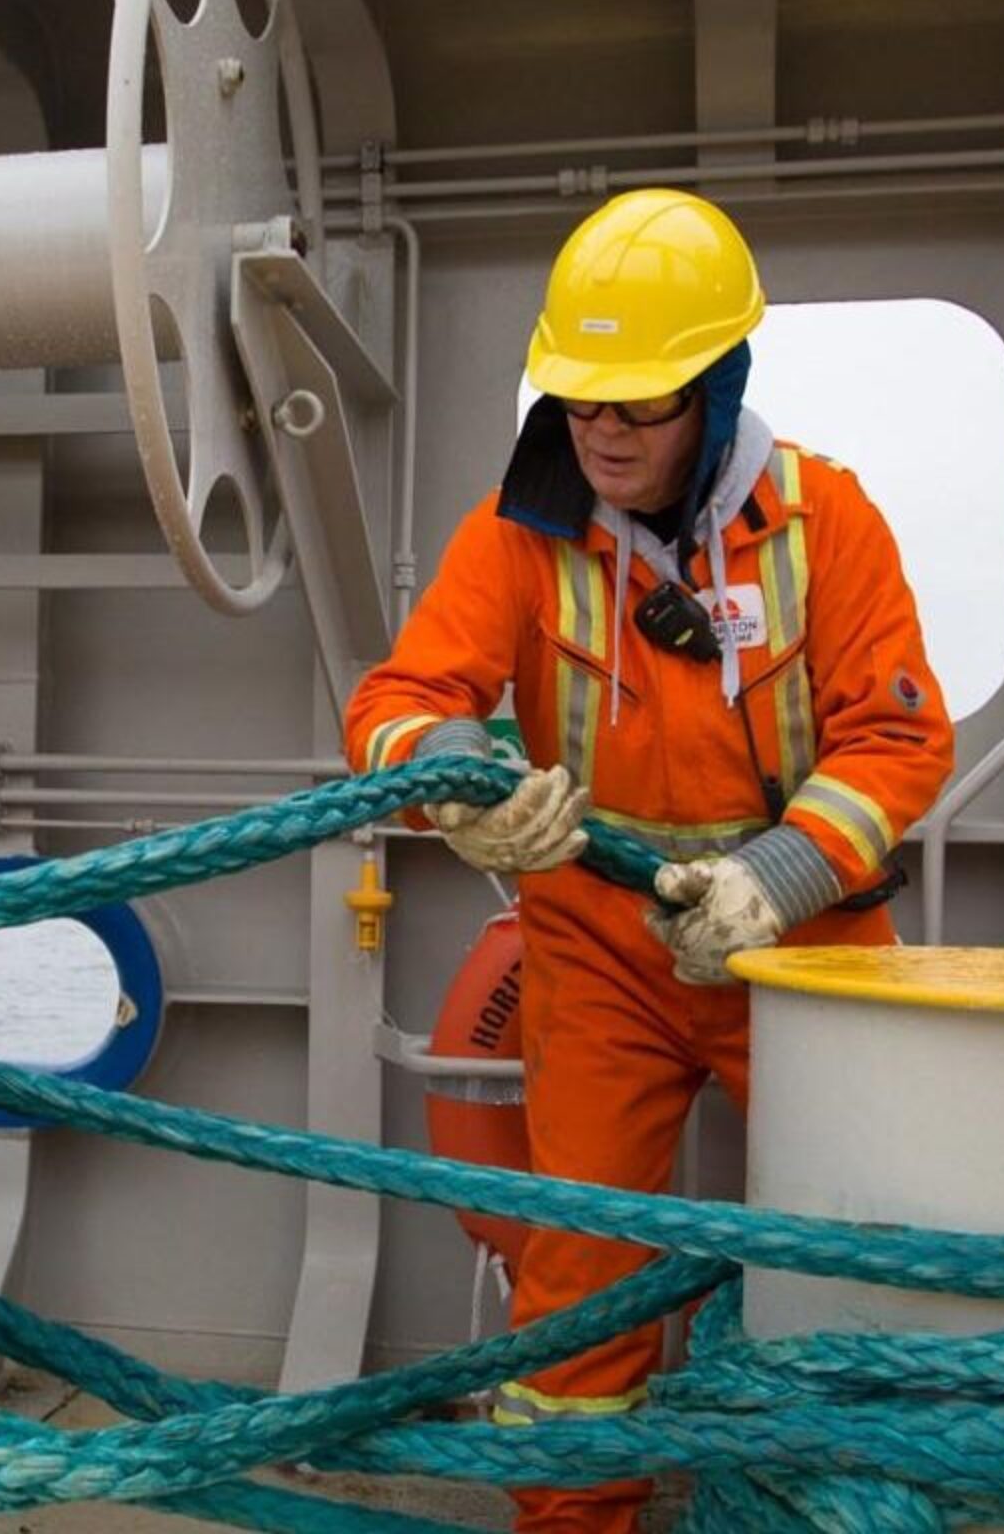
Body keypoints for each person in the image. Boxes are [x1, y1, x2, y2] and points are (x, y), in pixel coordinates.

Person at [343, 188, 953, 1534]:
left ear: (719, 389)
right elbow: (393, 700)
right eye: (580, 400)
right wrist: (467, 795)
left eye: (641, 405)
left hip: (808, 956)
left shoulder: (826, 527)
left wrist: (773, 883)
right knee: (584, 1275)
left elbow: (900, 742)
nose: (603, 433)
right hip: (598, 953)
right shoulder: (520, 531)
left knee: (847, 1267)